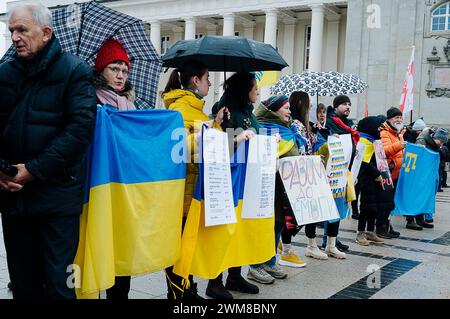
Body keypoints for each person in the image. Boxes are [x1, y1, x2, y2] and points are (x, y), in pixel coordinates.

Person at [0, 4, 97, 299]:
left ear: (45, 33)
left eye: (22, 30)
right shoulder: (4, 73)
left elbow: (79, 130)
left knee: (59, 285)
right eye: (11, 31)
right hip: (14, 197)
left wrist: (33, 170)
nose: (15, 37)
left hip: (57, 199)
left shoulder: (75, 71)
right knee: (23, 284)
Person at [162, 60, 231, 300]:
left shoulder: (197, 110)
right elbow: (177, 148)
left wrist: (217, 125)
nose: (210, 82)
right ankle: (178, 293)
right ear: (195, 81)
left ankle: (188, 290)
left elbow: (211, 144)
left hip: (196, 190)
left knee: (189, 243)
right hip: (182, 191)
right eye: (207, 77)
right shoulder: (179, 110)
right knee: (180, 245)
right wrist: (208, 132)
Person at [206, 72, 261, 299]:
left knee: (240, 230)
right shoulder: (227, 113)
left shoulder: (248, 113)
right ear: (243, 91)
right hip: (228, 181)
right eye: (254, 88)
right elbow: (219, 147)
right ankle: (214, 280)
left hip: (247, 181)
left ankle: (235, 275)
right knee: (223, 232)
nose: (257, 92)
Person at [91, 38, 135, 299]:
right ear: (101, 71)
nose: (120, 76)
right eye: (114, 69)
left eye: (124, 70)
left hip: (125, 188)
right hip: (99, 186)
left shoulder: (130, 105)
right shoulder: (89, 100)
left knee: (122, 253)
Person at [356, 116, 390, 245]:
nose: (379, 130)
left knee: (374, 207)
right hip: (367, 179)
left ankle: (370, 232)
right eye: (378, 127)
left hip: (377, 179)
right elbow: (364, 163)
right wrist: (376, 173)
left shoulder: (375, 141)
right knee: (366, 207)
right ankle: (360, 233)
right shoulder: (364, 141)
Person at [377, 107, 403, 238]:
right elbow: (385, 151)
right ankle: (381, 227)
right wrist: (400, 145)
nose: (399, 120)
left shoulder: (397, 133)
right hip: (387, 174)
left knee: (390, 203)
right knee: (385, 202)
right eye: (396, 117)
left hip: (395, 174)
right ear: (389, 119)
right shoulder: (385, 133)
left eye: (400, 117)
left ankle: (387, 224)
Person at [416, 127, 449, 224]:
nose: (441, 143)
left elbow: (443, 156)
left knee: (431, 193)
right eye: (441, 141)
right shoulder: (423, 140)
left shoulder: (438, 145)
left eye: (443, 142)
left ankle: (426, 216)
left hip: (433, 170)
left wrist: (440, 149)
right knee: (424, 193)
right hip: (424, 172)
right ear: (435, 137)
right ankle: (422, 217)